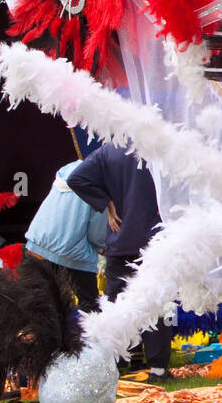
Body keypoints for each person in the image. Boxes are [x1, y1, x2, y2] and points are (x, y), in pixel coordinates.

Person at [66, 143, 171, 379]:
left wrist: (106, 203)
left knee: (114, 304)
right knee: (155, 302)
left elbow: (77, 178)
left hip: (121, 237)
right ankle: (158, 368)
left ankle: (108, 361)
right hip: (153, 237)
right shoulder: (156, 146)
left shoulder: (108, 150)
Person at [23, 160, 110, 312]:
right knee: (88, 305)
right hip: (71, 249)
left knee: (42, 302)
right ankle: (88, 335)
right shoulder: (101, 182)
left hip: (39, 240)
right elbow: (97, 234)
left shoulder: (68, 170)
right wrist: (102, 248)